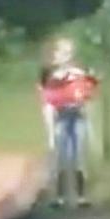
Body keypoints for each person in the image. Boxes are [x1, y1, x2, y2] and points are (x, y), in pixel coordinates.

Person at [38, 37, 99, 208]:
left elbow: (87, 97)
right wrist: (49, 131)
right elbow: (48, 103)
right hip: (61, 118)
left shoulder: (78, 73)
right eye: (63, 52)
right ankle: (60, 196)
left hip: (78, 116)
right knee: (60, 157)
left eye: (70, 52)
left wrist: (91, 125)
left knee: (78, 156)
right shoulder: (51, 77)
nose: (67, 55)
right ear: (56, 54)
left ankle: (81, 195)